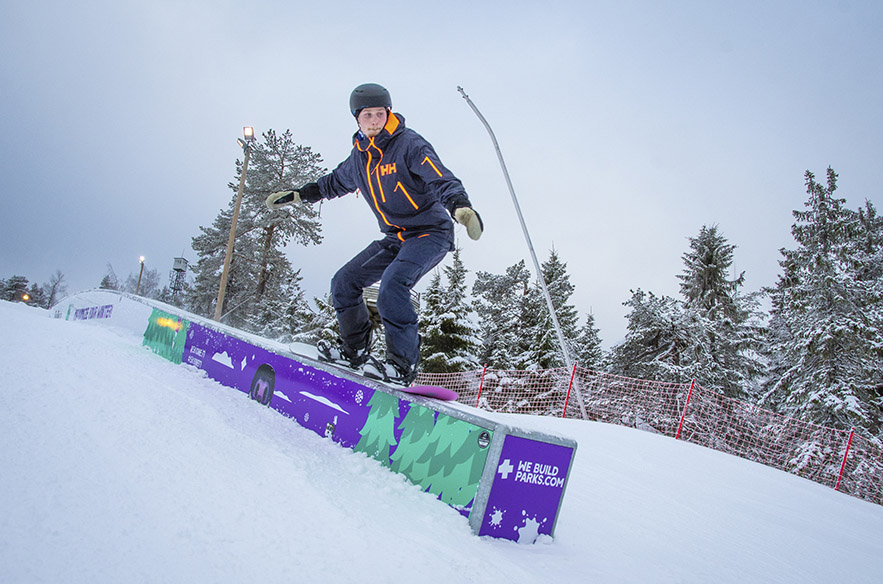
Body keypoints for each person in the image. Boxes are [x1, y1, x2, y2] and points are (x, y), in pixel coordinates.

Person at [266, 83, 483, 385]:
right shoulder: (359, 158)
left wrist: (460, 206)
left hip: (431, 233)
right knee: (344, 282)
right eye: (367, 115)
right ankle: (353, 350)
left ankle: (402, 365)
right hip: (397, 237)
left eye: (379, 114)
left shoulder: (410, 144)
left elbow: (440, 178)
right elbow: (332, 183)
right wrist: (300, 195)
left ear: (388, 114)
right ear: (357, 118)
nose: (373, 120)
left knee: (393, 286)